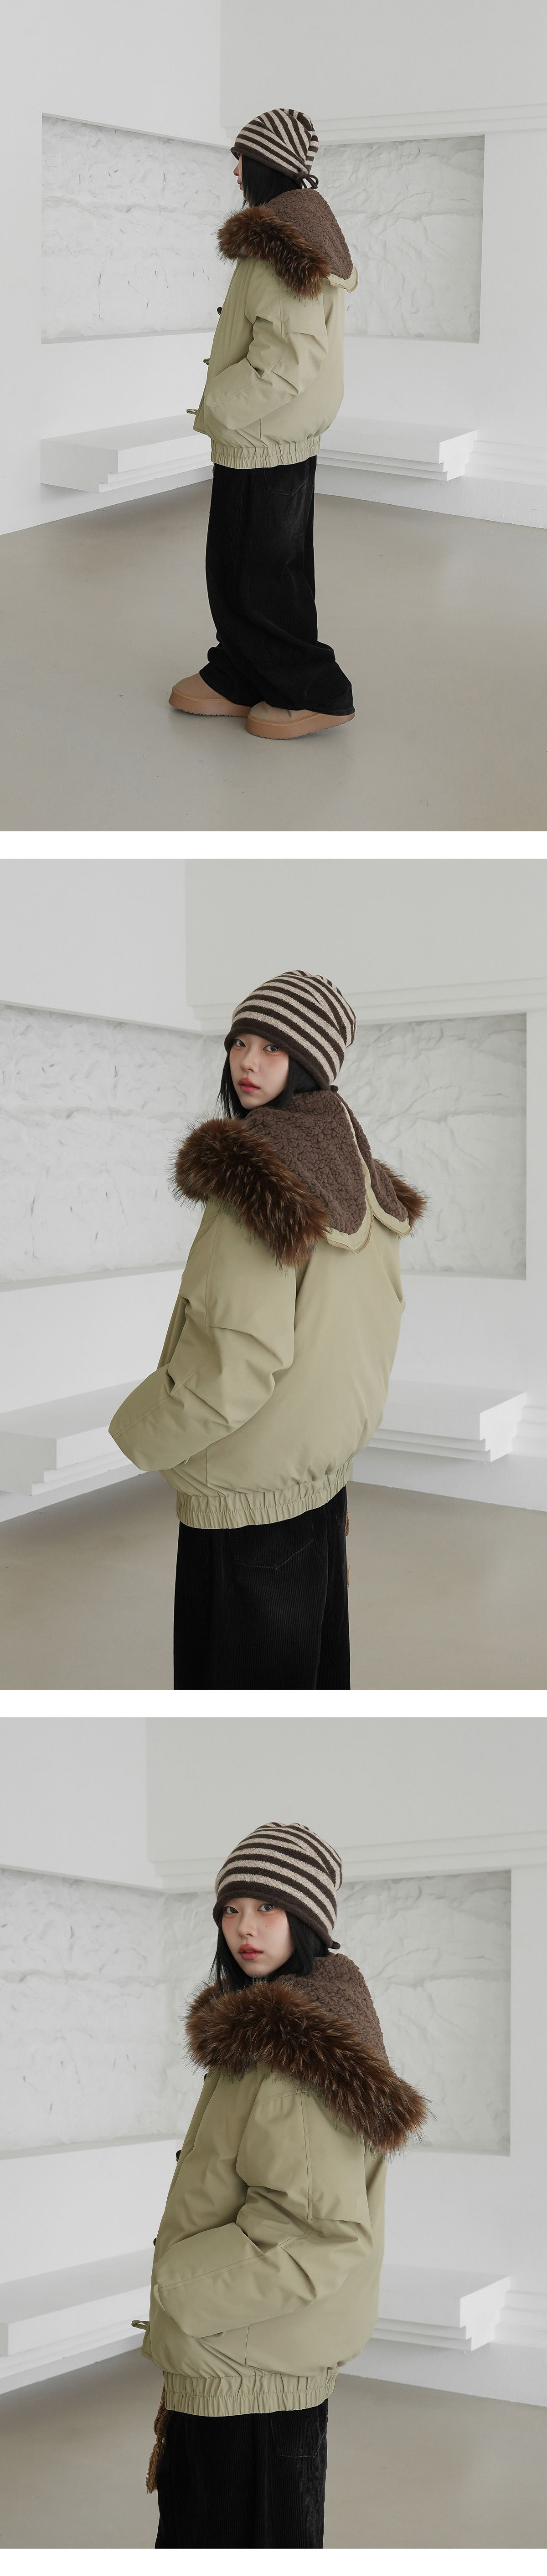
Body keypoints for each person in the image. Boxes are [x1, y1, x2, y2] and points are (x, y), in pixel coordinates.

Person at [109, 969, 426, 1688]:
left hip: (245, 1486)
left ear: (309, 1062)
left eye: (273, 1048)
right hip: (319, 1472)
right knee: (309, 1683)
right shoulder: (360, 1173)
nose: (247, 1062)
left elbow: (236, 1359)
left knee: (235, 1694)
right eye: (239, 1042)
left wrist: (137, 1433)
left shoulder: (260, 1177)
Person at [138, 1819, 427, 2550]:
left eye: (269, 1907)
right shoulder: (266, 2036)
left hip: (248, 2367)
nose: (245, 1926)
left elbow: (317, 2233)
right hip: (245, 2350)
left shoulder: (292, 2053)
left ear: (308, 1921)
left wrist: (178, 2285)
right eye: (231, 1909)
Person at [169, 107, 358, 740]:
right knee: (252, 566)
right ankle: (240, 674)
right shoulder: (296, 233)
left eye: (242, 160)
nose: (235, 171)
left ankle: (313, 690)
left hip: (263, 432)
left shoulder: (283, 246)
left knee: (259, 575)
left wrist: (220, 407)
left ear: (265, 166)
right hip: (275, 432)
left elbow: (287, 361)